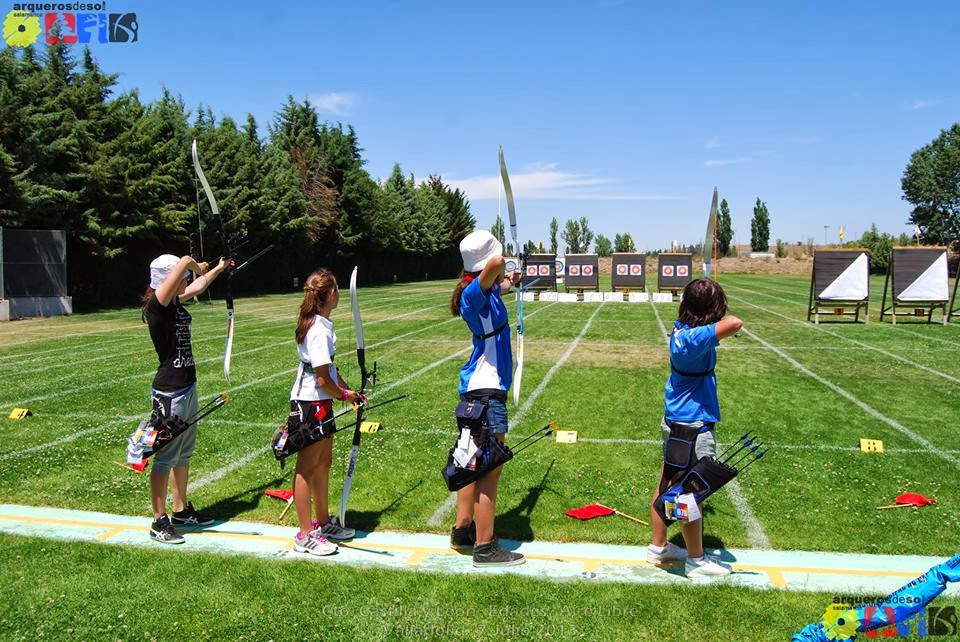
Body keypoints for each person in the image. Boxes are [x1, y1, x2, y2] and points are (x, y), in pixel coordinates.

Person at [647, 278, 742, 578]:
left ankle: (659, 547)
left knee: (668, 483)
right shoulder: (696, 338)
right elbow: (735, 323)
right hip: (692, 424)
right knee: (690, 492)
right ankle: (696, 561)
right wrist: (716, 313)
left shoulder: (681, 330)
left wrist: (706, 309)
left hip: (677, 419)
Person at [142, 253, 232, 544]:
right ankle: (159, 521)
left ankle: (180, 511)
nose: (185, 281)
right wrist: (193, 266)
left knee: (183, 455)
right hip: (170, 391)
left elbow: (198, 286)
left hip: (186, 386)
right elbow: (184, 260)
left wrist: (217, 268)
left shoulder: (175, 301)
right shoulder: (158, 306)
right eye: (180, 278)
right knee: (165, 457)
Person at [448, 230, 525, 567]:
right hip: (487, 389)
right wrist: (503, 259)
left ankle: (463, 530)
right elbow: (495, 264)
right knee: (488, 469)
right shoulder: (472, 294)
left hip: (479, 387)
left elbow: (499, 281)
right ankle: (485, 547)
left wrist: (511, 280)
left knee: (471, 463)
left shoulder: (482, 290)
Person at [288, 268, 363, 556]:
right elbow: (321, 379)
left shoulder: (322, 324)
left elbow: (329, 370)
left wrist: (348, 391)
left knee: (323, 463)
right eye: (336, 289)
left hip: (321, 402)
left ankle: (323, 521)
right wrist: (343, 394)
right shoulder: (318, 330)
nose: (339, 293)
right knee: (307, 468)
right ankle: (305, 534)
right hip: (310, 404)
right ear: (329, 294)